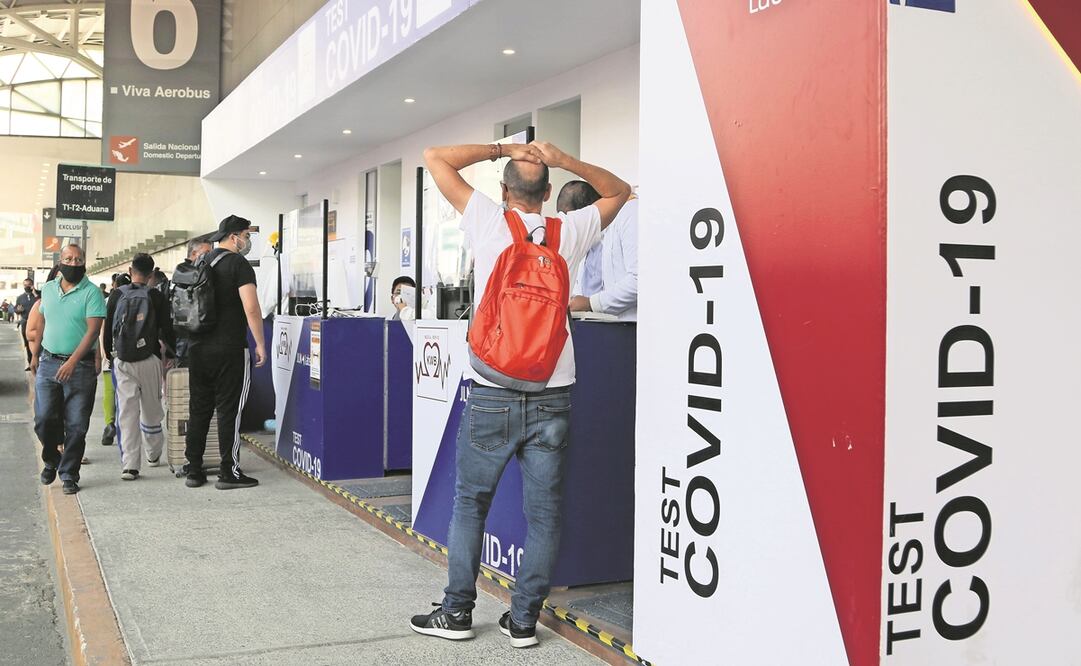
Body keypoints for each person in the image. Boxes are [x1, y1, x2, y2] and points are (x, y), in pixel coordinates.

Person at [410, 141, 630, 646]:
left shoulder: (488, 218)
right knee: (545, 514)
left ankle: (458, 614)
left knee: (470, 506)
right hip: (553, 391)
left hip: (492, 388)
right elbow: (619, 191)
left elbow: (435, 157)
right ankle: (524, 621)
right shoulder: (567, 230)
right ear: (549, 192)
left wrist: (502, 147)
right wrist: (567, 160)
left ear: (505, 190)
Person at [183, 215, 267, 490]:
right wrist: (260, 343)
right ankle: (228, 471)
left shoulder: (201, 261)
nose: (248, 240)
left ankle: (194, 470)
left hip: (197, 347)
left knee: (199, 409)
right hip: (229, 349)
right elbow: (251, 308)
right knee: (229, 411)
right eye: (246, 234)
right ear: (234, 237)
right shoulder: (238, 264)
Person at [30, 244, 106, 495]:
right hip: (49, 362)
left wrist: (72, 362)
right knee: (43, 419)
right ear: (60, 262)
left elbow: (93, 331)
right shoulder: (49, 290)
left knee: (76, 425)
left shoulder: (92, 293)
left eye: (78, 259)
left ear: (84, 262)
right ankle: (52, 457)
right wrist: (35, 354)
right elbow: (42, 323)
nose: (73, 263)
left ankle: (69, 473)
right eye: (68, 259)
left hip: (80, 367)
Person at [104, 253, 176, 481]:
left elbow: (107, 329)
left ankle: (130, 466)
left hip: (123, 360)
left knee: (126, 412)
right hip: (150, 358)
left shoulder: (116, 295)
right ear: (152, 273)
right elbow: (166, 328)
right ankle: (153, 454)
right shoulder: (155, 296)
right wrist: (174, 353)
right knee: (152, 408)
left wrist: (108, 354)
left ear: (129, 270)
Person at [557, 182, 639, 321]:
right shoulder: (585, 237)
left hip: (627, 329)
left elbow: (639, 280)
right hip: (589, 327)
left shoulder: (630, 212)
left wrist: (591, 303)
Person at [100, 272, 133, 447]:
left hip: (109, 354)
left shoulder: (108, 301)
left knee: (109, 391)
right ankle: (122, 425)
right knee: (125, 393)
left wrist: (104, 352)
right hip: (129, 354)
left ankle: (109, 423)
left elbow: (102, 329)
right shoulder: (137, 297)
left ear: (114, 285)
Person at [173, 238, 213, 366]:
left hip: (181, 342)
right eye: (207, 252)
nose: (209, 256)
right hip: (197, 339)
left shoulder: (178, 274)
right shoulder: (200, 274)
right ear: (194, 253)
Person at [16, 277, 38, 370]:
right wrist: (18, 310)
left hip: (38, 323)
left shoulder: (38, 295)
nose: (27, 286)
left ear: (32, 285)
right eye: (25, 285)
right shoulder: (20, 298)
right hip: (25, 322)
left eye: (29, 284)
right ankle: (30, 363)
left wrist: (36, 294)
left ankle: (39, 362)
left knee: (39, 342)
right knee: (27, 343)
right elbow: (16, 309)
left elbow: (42, 304)